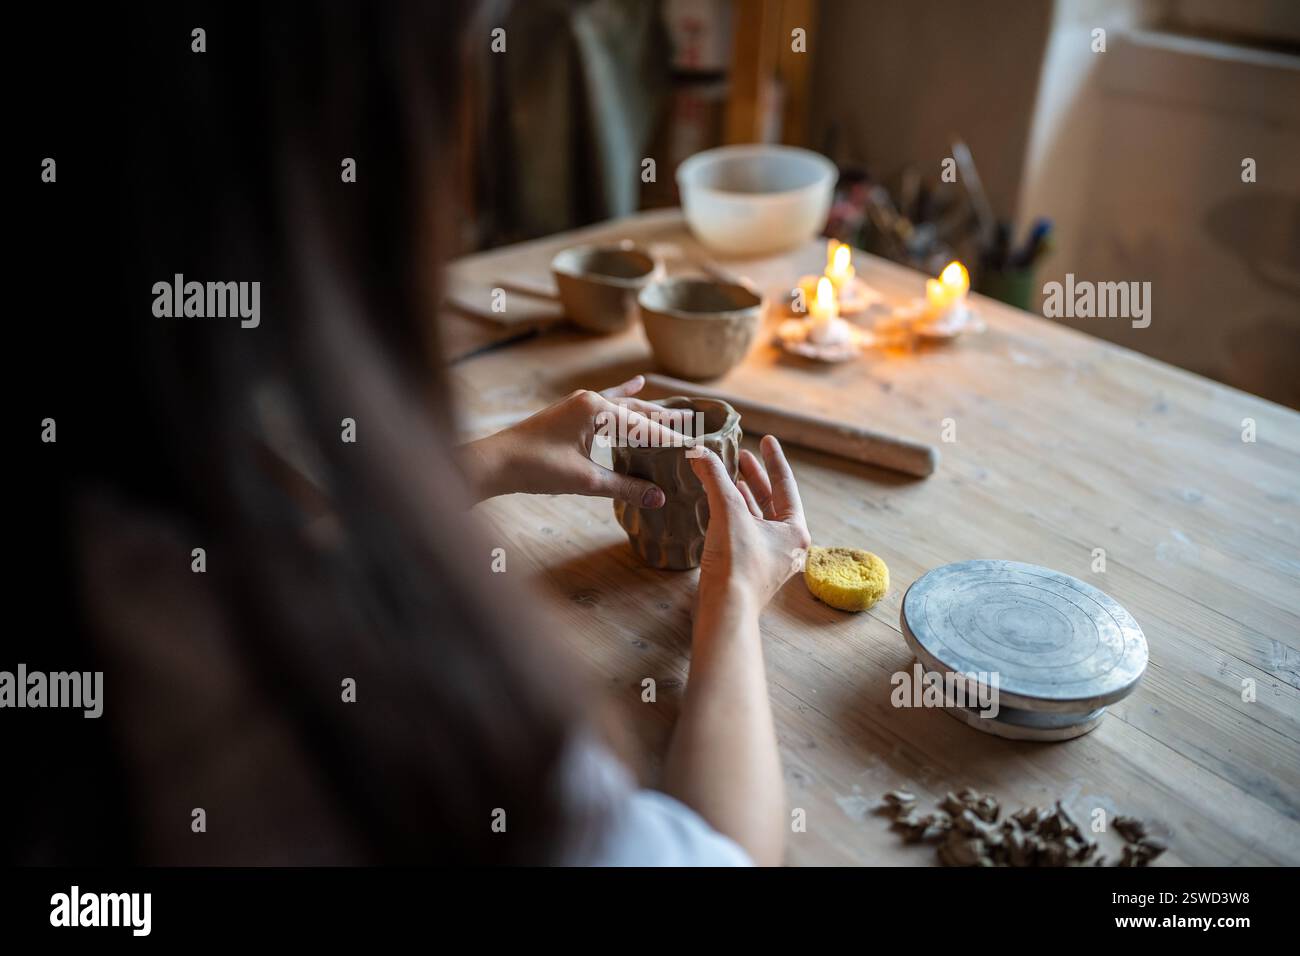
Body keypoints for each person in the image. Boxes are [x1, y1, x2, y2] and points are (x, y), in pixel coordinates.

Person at [17, 1, 809, 867]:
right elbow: (717, 857)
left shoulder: (125, 525)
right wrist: (733, 598)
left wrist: (484, 461)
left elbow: (240, 535)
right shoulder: (418, 742)